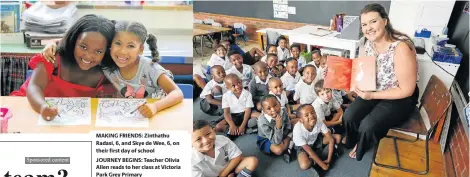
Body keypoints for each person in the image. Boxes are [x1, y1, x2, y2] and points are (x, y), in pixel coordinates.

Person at [343, 3, 419, 161]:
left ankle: (362, 146)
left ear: (385, 21)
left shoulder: (401, 47)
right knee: (349, 115)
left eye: (373, 21)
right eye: (364, 24)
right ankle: (351, 139)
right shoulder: (366, 42)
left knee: (368, 126)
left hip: (400, 96)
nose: (368, 28)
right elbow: (362, 69)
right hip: (374, 89)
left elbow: (407, 90)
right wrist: (344, 79)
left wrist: (371, 96)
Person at [10, 14, 116, 121]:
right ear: (74, 41)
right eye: (83, 47)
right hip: (30, 107)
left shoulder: (107, 72)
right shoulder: (53, 56)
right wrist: (42, 107)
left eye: (98, 51)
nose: (88, 56)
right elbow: (35, 86)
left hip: (67, 120)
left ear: (108, 51)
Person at [192, 120, 258, 177]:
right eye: (198, 139)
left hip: (229, 167)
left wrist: (224, 174)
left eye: (208, 134)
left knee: (252, 161)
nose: (206, 140)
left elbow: (237, 156)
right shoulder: (191, 160)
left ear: (214, 131)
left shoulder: (222, 139)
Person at [293, 104, 336, 173]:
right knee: (304, 165)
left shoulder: (318, 120)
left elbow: (331, 139)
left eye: (313, 112)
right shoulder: (297, 130)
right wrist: (323, 166)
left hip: (316, 140)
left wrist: (329, 159)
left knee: (337, 138)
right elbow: (309, 150)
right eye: (306, 115)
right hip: (303, 147)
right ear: (301, 120)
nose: (311, 116)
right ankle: (321, 157)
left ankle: (319, 158)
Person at [216, 74, 257, 138]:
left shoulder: (247, 94)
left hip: (246, 114)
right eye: (233, 86)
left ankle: (238, 130)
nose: (237, 87)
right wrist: (232, 125)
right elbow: (226, 112)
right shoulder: (226, 96)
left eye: (238, 83)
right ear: (228, 87)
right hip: (233, 116)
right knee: (218, 126)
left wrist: (242, 125)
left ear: (241, 81)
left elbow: (248, 110)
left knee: (259, 116)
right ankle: (246, 130)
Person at [257, 95, 294, 163]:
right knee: (278, 150)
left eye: (275, 105)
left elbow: (288, 125)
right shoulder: (262, 122)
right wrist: (278, 126)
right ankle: (291, 140)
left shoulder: (283, 110)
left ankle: (288, 143)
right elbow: (276, 141)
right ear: (264, 111)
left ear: (279, 104)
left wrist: (285, 132)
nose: (273, 110)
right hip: (267, 138)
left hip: (284, 132)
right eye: (269, 109)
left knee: (298, 122)